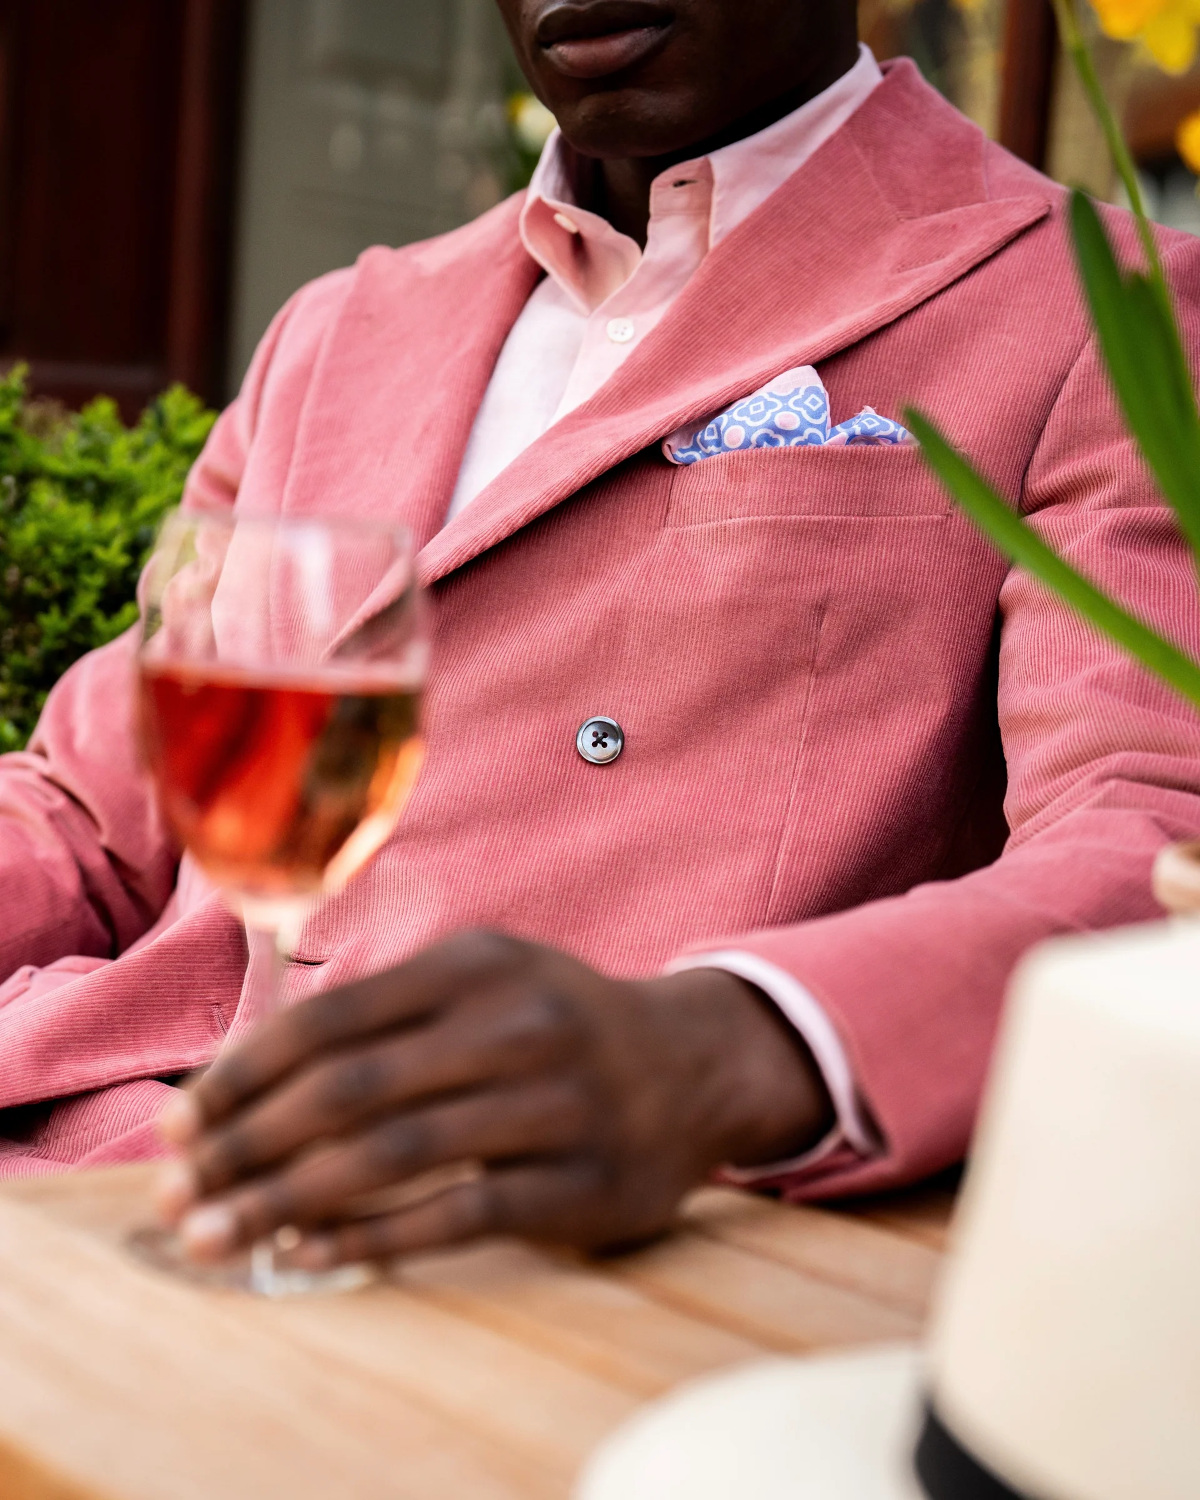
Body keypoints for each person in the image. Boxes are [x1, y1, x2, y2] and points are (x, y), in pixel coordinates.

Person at [2, 0, 1199, 1273]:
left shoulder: (1106, 312)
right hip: (95, 1157)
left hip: (536, 1243)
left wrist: (730, 1050)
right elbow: (95, 808)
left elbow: (1155, 842)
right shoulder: (340, 327)